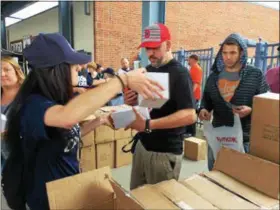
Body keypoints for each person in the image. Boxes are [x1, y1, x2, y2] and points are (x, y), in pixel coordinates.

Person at [3, 33, 163, 210]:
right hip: (48, 199)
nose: (79, 67)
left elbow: (68, 135)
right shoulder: (34, 105)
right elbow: (67, 118)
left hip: (68, 187)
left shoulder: (54, 101)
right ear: (56, 69)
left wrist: (100, 120)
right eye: (73, 64)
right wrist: (122, 80)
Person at [124, 23, 196, 190]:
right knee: (136, 198)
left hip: (164, 151)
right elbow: (150, 106)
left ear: (168, 45)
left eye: (155, 48)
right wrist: (132, 101)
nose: (150, 53)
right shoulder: (147, 70)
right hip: (143, 146)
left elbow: (190, 115)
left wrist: (149, 125)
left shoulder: (180, 74)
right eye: (147, 48)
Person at [198, 33, 269, 171]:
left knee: (240, 182)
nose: (228, 57)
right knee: (215, 178)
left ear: (241, 52)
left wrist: (251, 110)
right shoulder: (214, 77)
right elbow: (206, 100)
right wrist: (202, 109)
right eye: (224, 53)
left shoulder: (255, 75)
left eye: (232, 53)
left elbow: (266, 103)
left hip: (243, 140)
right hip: (218, 138)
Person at [1, 56, 25, 170]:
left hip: (21, 160)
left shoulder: (28, 96)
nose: (2, 74)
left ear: (17, 72)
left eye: (6, 70)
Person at [186, 54, 203, 136]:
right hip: (193, 95)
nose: (188, 61)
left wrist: (190, 94)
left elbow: (196, 83)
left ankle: (191, 133)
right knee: (190, 113)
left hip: (194, 95)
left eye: (189, 59)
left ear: (193, 60)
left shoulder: (196, 68)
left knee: (192, 113)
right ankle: (189, 131)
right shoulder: (193, 68)